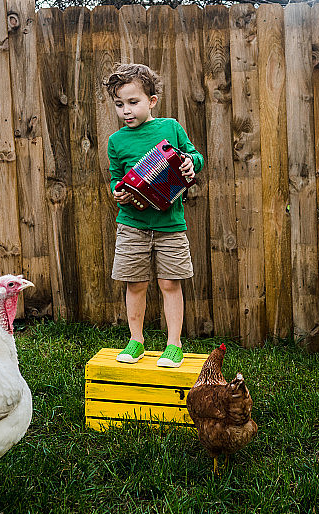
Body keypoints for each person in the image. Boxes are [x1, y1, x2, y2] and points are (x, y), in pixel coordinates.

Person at [103, 63, 204, 368]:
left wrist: (190, 164)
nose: (126, 111)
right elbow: (115, 178)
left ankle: (173, 344)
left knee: (170, 283)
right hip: (132, 224)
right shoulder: (116, 142)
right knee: (135, 284)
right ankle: (136, 341)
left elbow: (194, 157)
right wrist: (116, 192)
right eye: (119, 104)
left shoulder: (170, 128)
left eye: (133, 102)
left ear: (152, 101)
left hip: (170, 224)